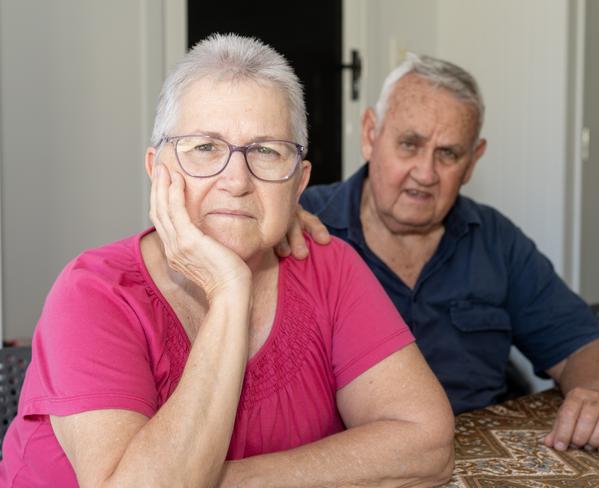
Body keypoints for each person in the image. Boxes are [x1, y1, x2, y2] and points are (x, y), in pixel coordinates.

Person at [0, 36, 455, 487]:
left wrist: (214, 481)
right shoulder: (93, 293)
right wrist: (230, 290)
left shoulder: (329, 267)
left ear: (298, 183)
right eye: (205, 148)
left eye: (266, 151)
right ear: (158, 170)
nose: (236, 180)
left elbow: (427, 446)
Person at [293, 53, 599, 454]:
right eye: (409, 144)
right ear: (370, 134)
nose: (425, 173)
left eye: (449, 154)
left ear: (473, 162)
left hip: (478, 460)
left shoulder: (495, 240)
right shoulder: (300, 227)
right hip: (345, 465)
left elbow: (586, 346)